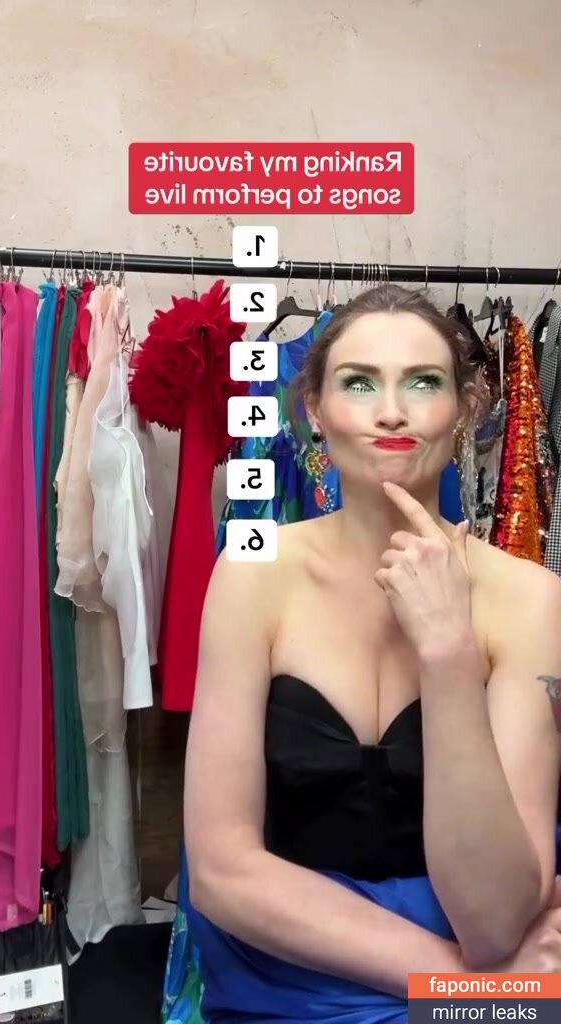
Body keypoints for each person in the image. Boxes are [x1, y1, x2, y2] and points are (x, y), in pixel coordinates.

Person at [182, 285, 561, 1024]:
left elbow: (493, 921)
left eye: (422, 382)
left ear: (466, 408)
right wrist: (469, 989)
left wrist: (447, 650)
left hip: (492, 973)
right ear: (316, 410)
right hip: (292, 978)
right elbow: (222, 873)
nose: (391, 411)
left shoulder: (532, 600)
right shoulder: (252, 575)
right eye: (359, 383)